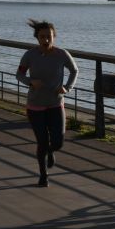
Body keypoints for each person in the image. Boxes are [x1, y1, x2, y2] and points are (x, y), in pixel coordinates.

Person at [16, 19, 79, 187]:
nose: (45, 40)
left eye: (49, 37)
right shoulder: (30, 55)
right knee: (42, 142)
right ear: (37, 38)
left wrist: (67, 87)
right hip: (35, 105)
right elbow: (19, 75)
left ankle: (51, 151)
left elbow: (74, 70)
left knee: (58, 142)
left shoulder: (62, 54)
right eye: (42, 37)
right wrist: (30, 82)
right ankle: (43, 175)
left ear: (54, 37)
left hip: (56, 104)